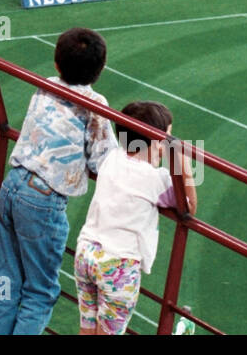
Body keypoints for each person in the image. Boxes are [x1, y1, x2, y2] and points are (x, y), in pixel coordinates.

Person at [0, 28, 116, 335]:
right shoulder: (95, 104)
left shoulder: (44, 85)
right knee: (40, 291)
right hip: (42, 200)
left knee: (7, 278)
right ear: (100, 70)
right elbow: (106, 160)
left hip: (13, 185)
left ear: (57, 64)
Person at [74, 100, 197, 335]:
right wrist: (185, 168)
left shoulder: (112, 158)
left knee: (87, 330)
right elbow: (190, 206)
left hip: (86, 253)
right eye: (168, 138)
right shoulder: (155, 179)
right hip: (118, 264)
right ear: (154, 140)